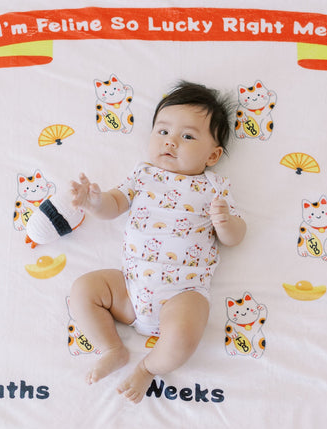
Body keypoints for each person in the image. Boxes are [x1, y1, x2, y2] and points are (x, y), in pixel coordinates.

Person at [69, 81, 246, 403]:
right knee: (83, 289)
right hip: (129, 290)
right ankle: (112, 348)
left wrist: (226, 223)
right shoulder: (143, 175)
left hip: (183, 294)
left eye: (187, 136)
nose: (171, 141)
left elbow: (235, 238)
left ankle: (147, 368)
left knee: (184, 336)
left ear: (213, 154)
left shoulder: (214, 187)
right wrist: (94, 203)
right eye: (163, 131)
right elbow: (114, 205)